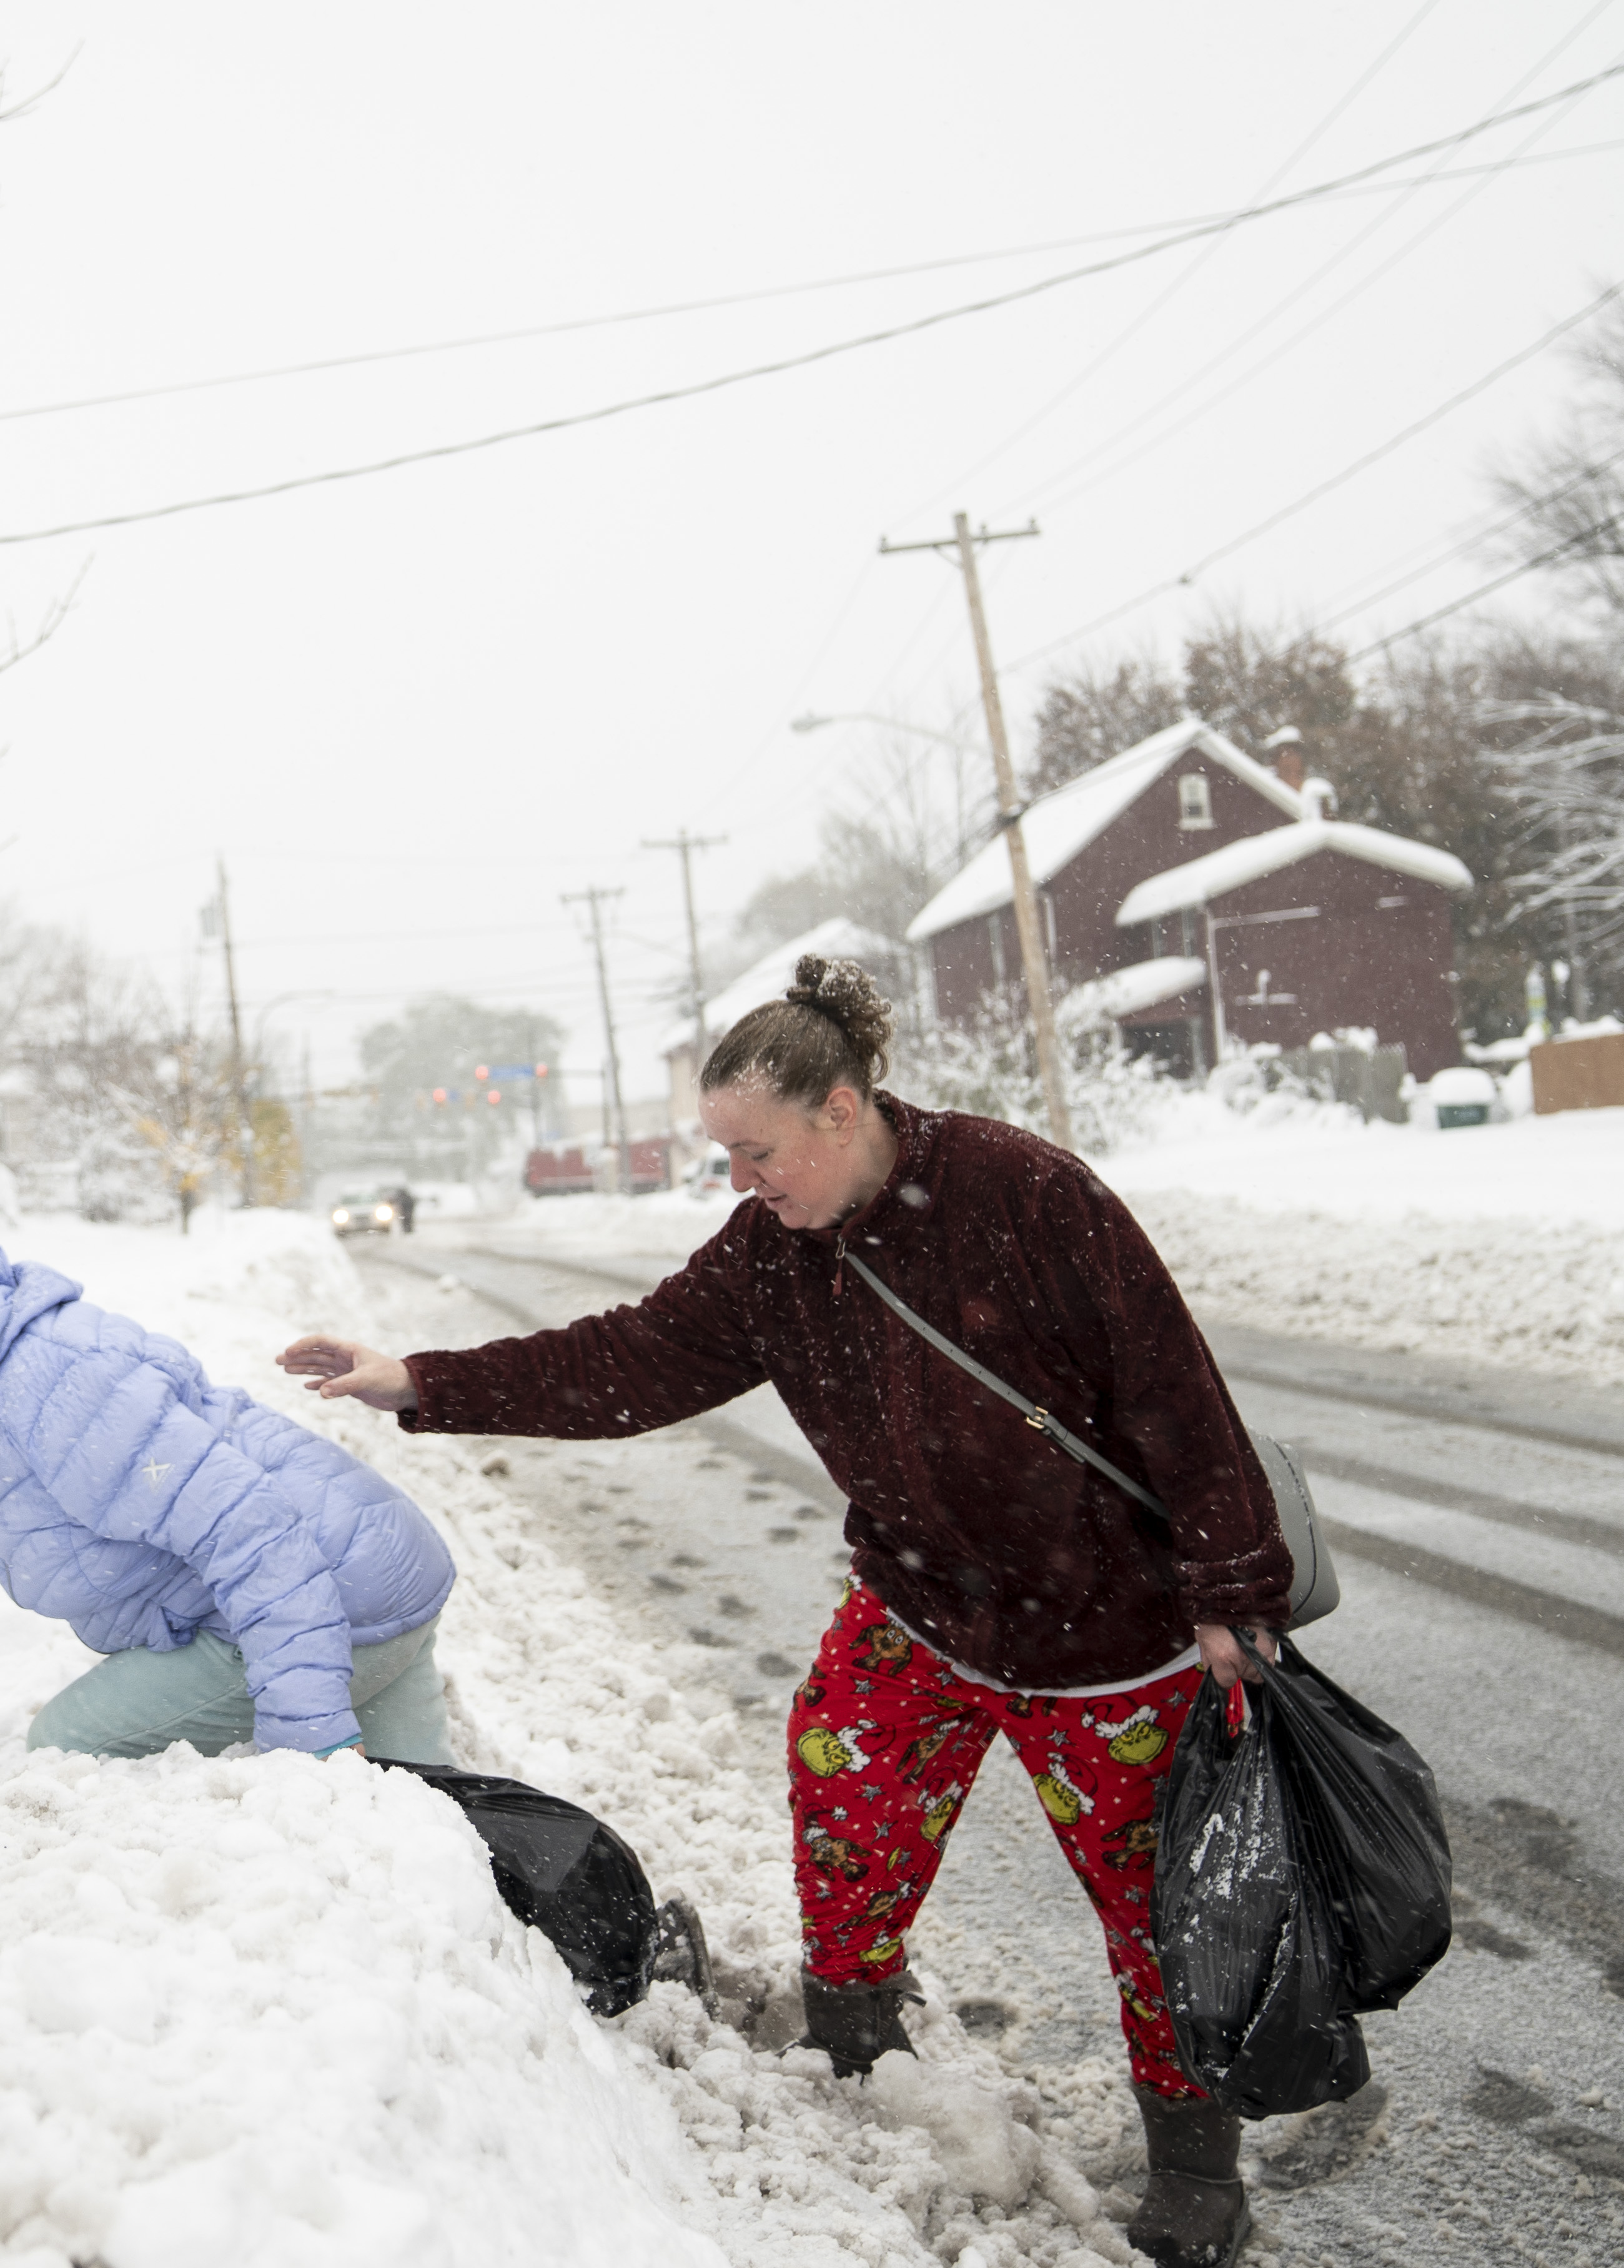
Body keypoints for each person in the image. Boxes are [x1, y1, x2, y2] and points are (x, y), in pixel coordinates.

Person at [274, 956, 1286, 2268]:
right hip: (921, 1609)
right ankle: (855, 2034)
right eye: (727, 1158)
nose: (743, 1180)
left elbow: (1172, 1385)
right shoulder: (772, 1259)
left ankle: (1195, 2157)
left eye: (757, 1152)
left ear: (843, 1109)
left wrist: (1232, 1592)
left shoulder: (1026, 1193)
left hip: (1104, 1636)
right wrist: (416, 1377)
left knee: (1154, 1903)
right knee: (843, 1796)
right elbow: (626, 1359)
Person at [0, 1222, 457, 1762]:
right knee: (432, 1824)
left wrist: (308, 1735)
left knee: (67, 1744)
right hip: (373, 1568)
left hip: (335, 1606)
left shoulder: (60, 1399)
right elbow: (14, 1486)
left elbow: (252, 1534)